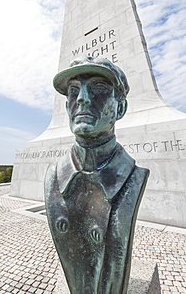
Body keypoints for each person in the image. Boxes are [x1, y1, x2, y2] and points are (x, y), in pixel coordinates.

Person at [45, 56, 149, 294]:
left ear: (120, 107)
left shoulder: (133, 177)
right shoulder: (53, 177)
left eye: (99, 89)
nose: (81, 98)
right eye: (73, 91)